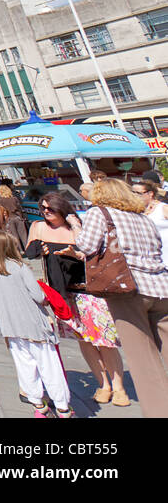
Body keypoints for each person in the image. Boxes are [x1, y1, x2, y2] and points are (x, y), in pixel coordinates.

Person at [69, 177, 168, 418]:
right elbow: (156, 248)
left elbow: (87, 245)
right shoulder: (143, 218)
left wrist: (74, 225)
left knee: (144, 361)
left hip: (127, 289)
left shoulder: (99, 213)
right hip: (161, 287)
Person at [25, 192, 127, 407]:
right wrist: (38, 250)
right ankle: (103, 384)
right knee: (85, 340)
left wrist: (75, 251)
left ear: (62, 209)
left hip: (88, 289)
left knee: (105, 340)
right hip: (63, 292)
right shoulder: (37, 227)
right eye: (42, 208)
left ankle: (119, 387)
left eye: (50, 208)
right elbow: (29, 251)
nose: (45, 212)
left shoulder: (76, 227)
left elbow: (95, 253)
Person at [0, 231, 74, 418]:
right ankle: (62, 407)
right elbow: (38, 296)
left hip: (10, 324)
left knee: (25, 364)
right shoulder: (20, 267)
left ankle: (38, 405)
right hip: (33, 323)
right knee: (49, 364)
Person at [132, 177, 168, 253]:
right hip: (146, 254)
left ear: (150, 194)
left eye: (138, 193)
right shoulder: (134, 211)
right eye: (132, 193)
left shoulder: (162, 208)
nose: (135, 196)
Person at [0, 184, 30, 251]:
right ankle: (28, 249)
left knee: (14, 236)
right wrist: (22, 217)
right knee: (24, 235)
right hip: (18, 217)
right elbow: (20, 208)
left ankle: (19, 251)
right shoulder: (14, 198)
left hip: (9, 219)